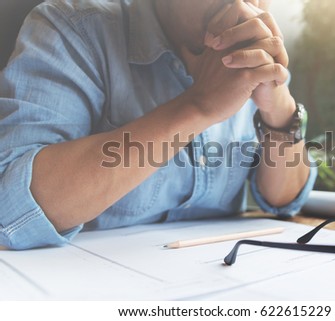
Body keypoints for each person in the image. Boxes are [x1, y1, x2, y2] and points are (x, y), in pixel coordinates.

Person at [0, 0, 317, 250]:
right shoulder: (72, 28)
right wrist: (197, 107)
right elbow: (11, 208)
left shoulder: (252, 57)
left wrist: (280, 111)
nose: (244, 7)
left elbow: (284, 201)